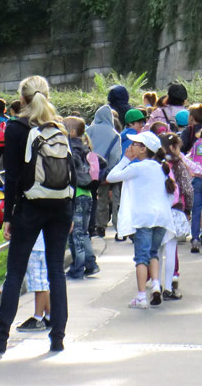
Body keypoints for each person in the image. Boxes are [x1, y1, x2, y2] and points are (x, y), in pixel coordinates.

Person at [0, 76, 73, 354]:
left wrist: (8, 216)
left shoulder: (16, 127)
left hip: (30, 206)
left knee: (16, 271)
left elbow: (14, 176)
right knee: (56, 270)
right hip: (60, 205)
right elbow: (71, 170)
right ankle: (58, 336)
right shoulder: (59, 125)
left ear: (22, 97)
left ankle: (0, 337)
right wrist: (71, 210)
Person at [106, 131, 176, 309]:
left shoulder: (137, 167)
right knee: (153, 254)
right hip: (162, 217)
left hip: (143, 218)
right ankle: (156, 286)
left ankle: (141, 297)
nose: (131, 147)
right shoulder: (161, 167)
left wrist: (125, 159)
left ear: (144, 149)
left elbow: (110, 177)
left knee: (141, 258)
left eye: (135, 144)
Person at [64, 116, 99, 280]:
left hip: (76, 195)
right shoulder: (87, 148)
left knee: (75, 234)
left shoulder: (72, 149)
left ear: (71, 132)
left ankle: (77, 268)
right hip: (87, 194)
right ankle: (91, 264)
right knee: (83, 233)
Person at [158, 133, 193, 299]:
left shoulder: (154, 164)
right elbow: (187, 188)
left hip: (157, 211)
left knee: (156, 251)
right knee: (171, 250)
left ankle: (156, 286)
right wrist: (189, 209)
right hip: (175, 209)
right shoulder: (178, 165)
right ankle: (169, 287)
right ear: (172, 148)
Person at [89, 104, 123, 239]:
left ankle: (100, 226)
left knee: (100, 199)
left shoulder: (90, 131)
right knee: (116, 200)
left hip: (93, 172)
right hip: (110, 172)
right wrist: (110, 171)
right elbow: (116, 155)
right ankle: (119, 228)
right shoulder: (115, 134)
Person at [17, 232, 51, 331]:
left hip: (35, 246)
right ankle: (49, 315)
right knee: (42, 280)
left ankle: (38, 317)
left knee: (38, 283)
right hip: (44, 244)